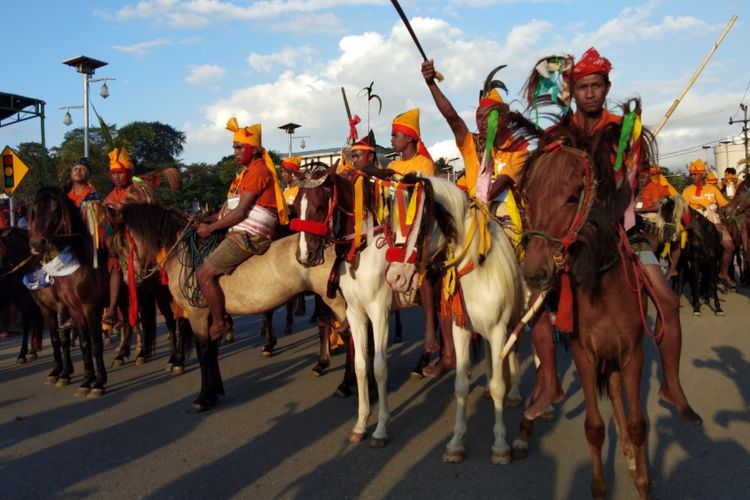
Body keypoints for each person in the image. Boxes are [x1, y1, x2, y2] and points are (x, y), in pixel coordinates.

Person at [560, 47, 701, 424]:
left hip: (623, 229)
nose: (589, 93)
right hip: (576, 234)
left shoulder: (624, 130)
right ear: (572, 91)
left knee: (668, 303)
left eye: (596, 86)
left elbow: (629, 184)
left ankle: (671, 384)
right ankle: (546, 383)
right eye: (582, 87)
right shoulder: (564, 133)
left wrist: (619, 181)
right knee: (541, 297)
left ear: (607, 88)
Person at [422, 59, 531, 379]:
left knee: (526, 263)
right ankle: (449, 351)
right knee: (443, 274)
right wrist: (431, 84)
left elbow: (497, 186)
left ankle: (528, 308)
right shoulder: (469, 142)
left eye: (489, 117)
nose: (482, 123)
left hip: (504, 218)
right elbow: (450, 115)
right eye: (479, 118)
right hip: (469, 219)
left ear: (503, 119)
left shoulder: (519, 148)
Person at [196, 117, 288, 341]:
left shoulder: (257, 172)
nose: (235, 152)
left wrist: (210, 229)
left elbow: (240, 213)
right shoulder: (247, 173)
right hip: (242, 230)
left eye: (239, 147)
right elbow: (230, 209)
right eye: (234, 148)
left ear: (254, 150)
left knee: (203, 274)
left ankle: (220, 322)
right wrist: (206, 219)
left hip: (250, 235)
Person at [682, 158, 735, 287]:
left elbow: (724, 204)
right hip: (694, 222)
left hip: (713, 219)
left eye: (695, 174)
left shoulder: (713, 189)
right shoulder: (687, 190)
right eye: (691, 174)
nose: (692, 177)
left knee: (729, 247)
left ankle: (723, 272)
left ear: (702, 175)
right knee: (679, 245)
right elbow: (683, 209)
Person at [103, 148, 136, 325]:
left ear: (129, 173)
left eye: (120, 173)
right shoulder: (109, 197)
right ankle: (112, 308)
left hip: (138, 239)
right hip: (117, 243)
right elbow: (106, 227)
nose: (116, 177)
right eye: (113, 174)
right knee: (113, 264)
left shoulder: (138, 190)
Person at [637, 166, 681, 278]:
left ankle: (672, 269)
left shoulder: (654, 187)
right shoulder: (639, 189)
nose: (641, 180)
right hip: (641, 214)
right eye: (640, 178)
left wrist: (638, 210)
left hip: (657, 214)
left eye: (643, 177)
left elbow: (657, 207)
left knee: (675, 238)